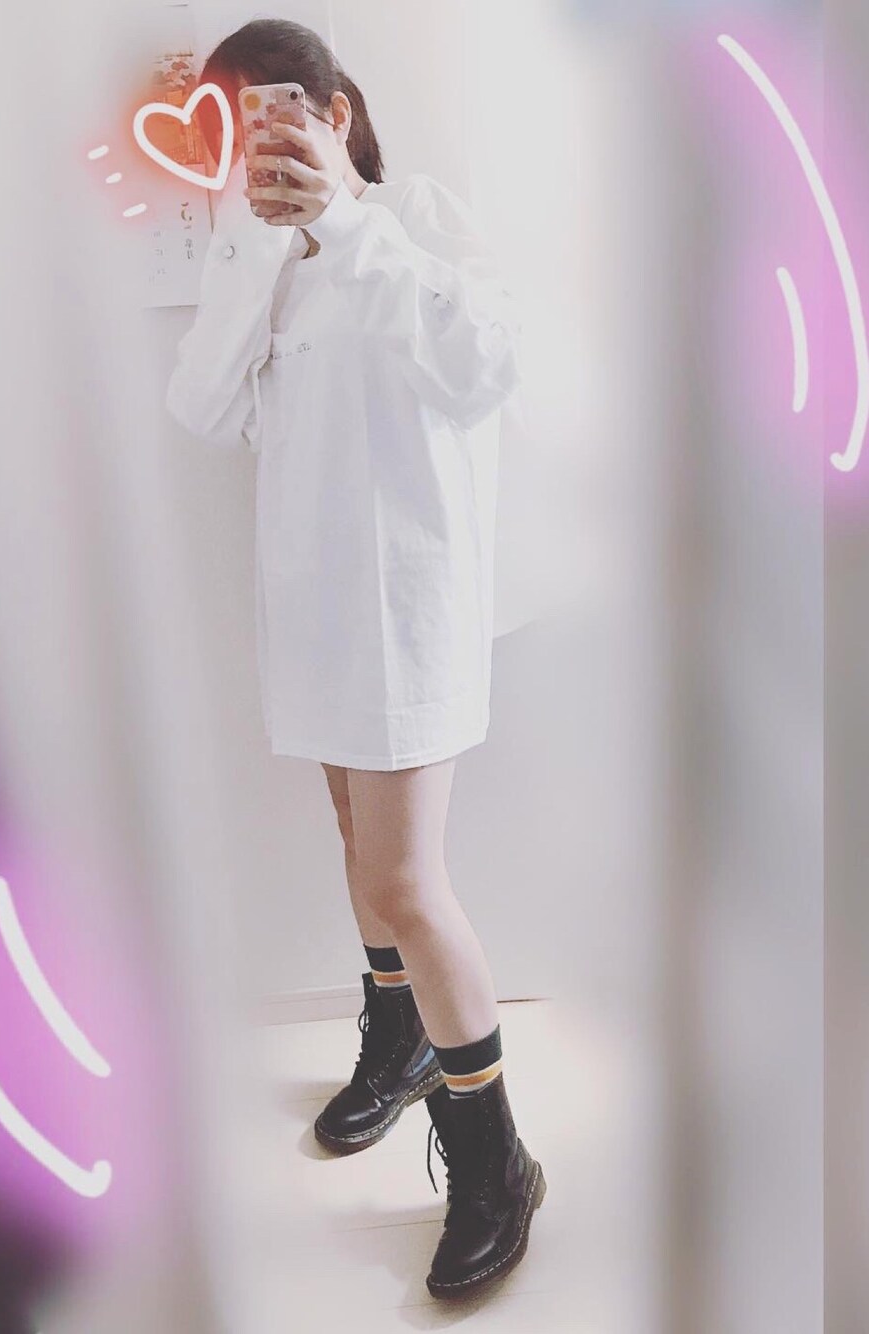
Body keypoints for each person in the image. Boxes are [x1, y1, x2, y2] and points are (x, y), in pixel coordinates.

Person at [166, 17, 546, 1300]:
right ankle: (397, 1037)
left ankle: (496, 1158)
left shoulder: (416, 219)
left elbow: (488, 363)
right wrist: (254, 250)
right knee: (354, 844)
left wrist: (343, 220)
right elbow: (201, 407)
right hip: (312, 606)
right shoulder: (254, 253)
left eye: (283, 107)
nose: (263, 138)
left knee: (404, 879)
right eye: (236, 122)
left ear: (334, 111)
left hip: (407, 608)